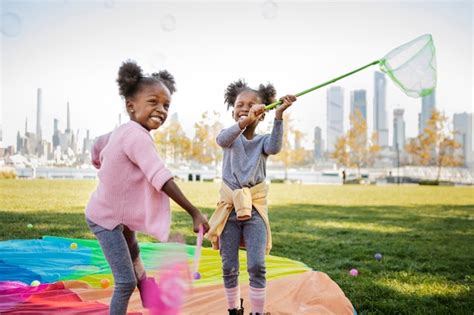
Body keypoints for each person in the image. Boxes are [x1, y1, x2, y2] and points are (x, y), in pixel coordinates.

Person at [85, 60, 209, 315]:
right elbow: (160, 176)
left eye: (166, 105)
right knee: (125, 281)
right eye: (153, 102)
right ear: (131, 106)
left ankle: (149, 297)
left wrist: (99, 161)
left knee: (134, 253)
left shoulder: (125, 130)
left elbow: (99, 143)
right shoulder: (136, 136)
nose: (161, 110)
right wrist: (193, 211)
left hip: (121, 215)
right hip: (104, 219)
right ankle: (140, 294)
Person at [207, 79, 296, 315]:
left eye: (252, 105)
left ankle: (257, 312)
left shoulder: (262, 142)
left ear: (262, 113)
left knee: (256, 265)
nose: (244, 108)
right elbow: (222, 139)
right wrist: (246, 120)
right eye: (240, 104)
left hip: (254, 209)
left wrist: (278, 115)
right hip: (229, 210)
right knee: (229, 266)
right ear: (233, 110)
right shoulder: (229, 137)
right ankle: (233, 310)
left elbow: (275, 147)